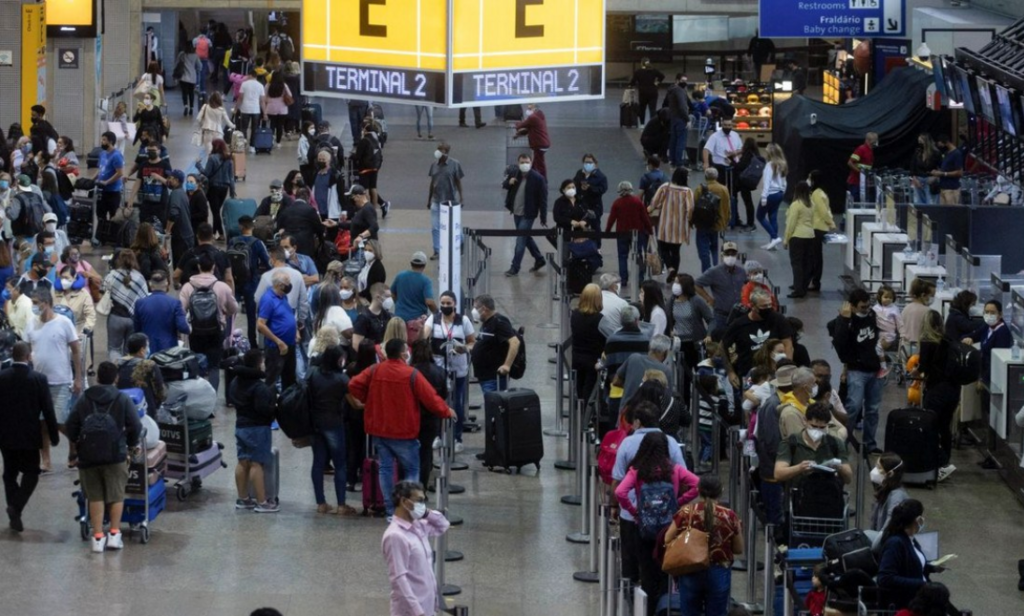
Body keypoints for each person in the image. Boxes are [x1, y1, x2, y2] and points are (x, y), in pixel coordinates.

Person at [349, 339, 455, 518]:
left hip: (379, 428)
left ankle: (391, 511)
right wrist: (446, 411)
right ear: (402, 353)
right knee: (412, 469)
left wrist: (368, 400)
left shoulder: (375, 370)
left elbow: (353, 385)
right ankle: (408, 510)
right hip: (404, 431)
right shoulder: (411, 374)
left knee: (386, 469)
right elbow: (431, 398)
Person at [615, 431, 699, 614]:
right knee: (667, 574)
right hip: (669, 529)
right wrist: (679, 502)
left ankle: (647, 610)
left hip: (644, 529)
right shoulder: (674, 470)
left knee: (647, 574)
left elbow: (620, 492)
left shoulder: (637, 471)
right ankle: (665, 609)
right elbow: (697, 484)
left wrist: (635, 511)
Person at [64, 361, 142, 553]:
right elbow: (136, 425)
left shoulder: (85, 399)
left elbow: (70, 424)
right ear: (116, 378)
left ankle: (97, 538)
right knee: (116, 494)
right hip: (115, 454)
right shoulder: (122, 399)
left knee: (95, 495)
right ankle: (114, 535)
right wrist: (131, 444)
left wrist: (77, 443)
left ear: (97, 377)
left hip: (88, 455)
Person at [612, 401, 689, 587]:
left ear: (637, 421)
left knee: (631, 562)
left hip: (632, 515)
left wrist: (619, 507)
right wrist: (678, 502)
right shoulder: (670, 442)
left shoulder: (627, 443)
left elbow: (617, 480)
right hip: (664, 516)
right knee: (660, 563)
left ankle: (631, 601)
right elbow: (686, 478)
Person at [0, 342, 58, 532]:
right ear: (28, 356)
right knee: (31, 474)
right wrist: (54, 435)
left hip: (5, 435)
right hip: (30, 436)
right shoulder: (39, 379)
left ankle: (14, 509)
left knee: (9, 474)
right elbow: (48, 410)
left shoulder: (2, 377)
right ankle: (16, 507)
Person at [664, 475, 743, 616]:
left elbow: (667, 539)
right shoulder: (729, 516)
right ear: (721, 491)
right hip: (719, 570)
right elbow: (738, 549)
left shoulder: (686, 512)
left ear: (698, 490)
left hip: (690, 568)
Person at [381, 480, 451, 616]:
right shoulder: (395, 536)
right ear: (404, 501)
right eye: (419, 501)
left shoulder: (418, 526)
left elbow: (443, 525)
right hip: (411, 611)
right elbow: (399, 579)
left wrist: (426, 513)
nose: (422, 505)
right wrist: (418, 611)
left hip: (427, 605)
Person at [422, 291, 476, 451]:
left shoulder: (463, 321)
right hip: (439, 367)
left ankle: (458, 437)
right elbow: (424, 335)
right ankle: (438, 435)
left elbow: (472, 342)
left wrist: (464, 348)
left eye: (448, 303)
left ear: (454, 304)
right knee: (438, 401)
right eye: (443, 303)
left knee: (457, 402)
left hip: (458, 367)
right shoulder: (434, 319)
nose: (445, 306)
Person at [308, 344, 358, 516]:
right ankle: (341, 504)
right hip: (334, 423)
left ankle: (321, 503)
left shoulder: (313, 374)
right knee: (340, 464)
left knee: (318, 463)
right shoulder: (341, 380)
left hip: (315, 423)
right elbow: (355, 403)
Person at [832, 288, 883, 454]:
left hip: (874, 370)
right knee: (853, 407)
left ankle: (870, 443)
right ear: (852, 307)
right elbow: (839, 342)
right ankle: (844, 441)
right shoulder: (845, 321)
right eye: (862, 307)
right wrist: (844, 319)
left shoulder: (872, 317)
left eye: (868, 306)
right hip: (856, 370)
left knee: (873, 409)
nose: (866, 310)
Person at [179, 252, 238, 394]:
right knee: (214, 366)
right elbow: (234, 308)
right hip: (216, 330)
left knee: (197, 362)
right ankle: (211, 400)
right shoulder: (222, 287)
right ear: (213, 267)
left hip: (196, 332)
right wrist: (224, 313)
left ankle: (199, 398)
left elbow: (181, 309)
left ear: (198, 266)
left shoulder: (188, 287)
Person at [228, 349, 279, 513]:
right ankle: (262, 502)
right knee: (257, 463)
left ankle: (243, 499)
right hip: (257, 428)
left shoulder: (236, 381)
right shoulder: (259, 387)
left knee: (242, 462)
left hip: (240, 426)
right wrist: (274, 408)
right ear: (258, 364)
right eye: (262, 362)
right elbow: (264, 409)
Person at [877, 499, 945, 609]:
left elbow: (911, 564)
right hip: (906, 599)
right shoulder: (896, 543)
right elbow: (885, 578)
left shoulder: (910, 539)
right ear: (917, 520)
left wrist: (932, 568)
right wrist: (921, 584)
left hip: (919, 594)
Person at [722, 288, 793, 387]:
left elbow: (788, 345)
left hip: (773, 373)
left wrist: (786, 368)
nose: (768, 308)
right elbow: (723, 347)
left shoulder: (778, 320)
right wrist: (730, 372)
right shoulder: (738, 325)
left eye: (770, 305)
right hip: (748, 375)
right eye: (764, 306)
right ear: (752, 306)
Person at [502, 153, 547, 277]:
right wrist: (509, 182)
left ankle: (514, 267)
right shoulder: (515, 174)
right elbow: (504, 185)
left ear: (531, 162)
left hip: (528, 214)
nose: (524, 164)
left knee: (520, 239)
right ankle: (539, 258)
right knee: (526, 237)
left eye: (527, 162)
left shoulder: (538, 179)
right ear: (518, 163)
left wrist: (543, 217)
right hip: (516, 212)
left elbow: (543, 199)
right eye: (522, 162)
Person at [410, 338, 447, 485]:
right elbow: (443, 395)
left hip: (412, 417)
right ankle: (422, 486)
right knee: (426, 452)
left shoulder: (410, 372)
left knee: (411, 452)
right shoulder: (439, 372)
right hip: (431, 418)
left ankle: (410, 485)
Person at [257, 270, 301, 389]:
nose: (289, 285)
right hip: (276, 347)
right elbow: (260, 325)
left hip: (289, 344)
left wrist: (295, 331)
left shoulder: (283, 297)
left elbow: (288, 315)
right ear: (279, 285)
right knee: (272, 378)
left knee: (290, 378)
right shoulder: (268, 299)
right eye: (287, 282)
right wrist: (278, 342)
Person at [606, 181, 653, 287]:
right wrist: (650, 230)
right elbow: (645, 218)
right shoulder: (637, 201)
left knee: (622, 256)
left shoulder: (617, 203)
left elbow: (611, 219)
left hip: (622, 233)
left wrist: (607, 231)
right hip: (638, 233)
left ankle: (623, 279)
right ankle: (640, 279)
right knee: (639, 256)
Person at [648, 167, 694, 276]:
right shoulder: (687, 191)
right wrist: (689, 219)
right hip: (679, 227)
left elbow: (654, 202)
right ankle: (674, 274)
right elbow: (690, 208)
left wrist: (647, 211)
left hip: (665, 225)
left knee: (663, 249)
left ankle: (670, 268)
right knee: (675, 251)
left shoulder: (665, 187)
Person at [470, 294, 520, 395]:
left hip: (494, 378)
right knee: (491, 407)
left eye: (476, 308)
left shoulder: (499, 322)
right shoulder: (487, 322)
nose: (474, 311)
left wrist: (507, 365)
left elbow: (515, 342)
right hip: (485, 376)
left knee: (495, 407)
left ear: (484, 308)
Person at [133, 271, 190, 354]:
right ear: (167, 283)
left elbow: (137, 330)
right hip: (169, 351)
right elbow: (183, 327)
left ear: (150, 284)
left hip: (147, 350)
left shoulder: (140, 303)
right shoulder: (175, 303)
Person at [696, 241, 748, 333]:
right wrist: (709, 299)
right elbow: (696, 284)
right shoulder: (714, 272)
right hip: (721, 316)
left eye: (733, 254)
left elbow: (747, 285)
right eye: (727, 253)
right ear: (722, 255)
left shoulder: (742, 272)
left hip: (740, 314)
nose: (730, 256)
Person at [962, 299, 1014, 386]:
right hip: (982, 370)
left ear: (1000, 314)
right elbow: (971, 335)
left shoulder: (1002, 332)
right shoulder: (987, 326)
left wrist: (984, 380)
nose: (989, 315)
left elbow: (996, 361)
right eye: (986, 312)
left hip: (993, 378)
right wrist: (968, 338)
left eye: (992, 312)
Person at [571, 284, 606, 408]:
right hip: (593, 360)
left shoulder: (574, 315)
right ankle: (586, 417)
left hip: (576, 357)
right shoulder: (600, 319)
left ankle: (579, 412)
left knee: (579, 387)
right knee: (589, 390)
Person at [117, 333, 166, 418]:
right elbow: (161, 392)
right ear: (142, 350)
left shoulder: (117, 363)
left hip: (122, 410)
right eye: (147, 346)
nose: (148, 349)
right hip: (146, 411)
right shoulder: (149, 365)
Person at [692, 167, 731, 272]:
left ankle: (707, 270)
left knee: (703, 249)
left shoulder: (700, 189)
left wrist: (691, 222)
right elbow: (727, 207)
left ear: (705, 177)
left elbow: (693, 206)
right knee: (714, 246)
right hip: (717, 224)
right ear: (716, 177)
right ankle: (715, 266)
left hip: (702, 224)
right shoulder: (724, 189)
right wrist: (726, 221)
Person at [782, 181, 815, 298]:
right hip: (810, 236)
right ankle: (803, 286)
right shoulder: (811, 204)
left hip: (797, 237)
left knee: (796, 264)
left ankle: (798, 289)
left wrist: (786, 240)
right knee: (806, 263)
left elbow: (791, 224)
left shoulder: (796, 205)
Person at [390, 251, 437, 332]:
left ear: (411, 263)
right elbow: (430, 302)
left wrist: (398, 303)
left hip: (399, 319)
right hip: (416, 322)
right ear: (424, 265)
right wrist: (437, 312)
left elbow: (392, 294)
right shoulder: (425, 281)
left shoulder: (400, 276)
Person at [807, 170, 836, 292]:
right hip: (819, 227)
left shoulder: (816, 194)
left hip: (817, 227)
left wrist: (831, 223)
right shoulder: (819, 193)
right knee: (815, 256)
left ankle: (815, 282)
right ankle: (811, 281)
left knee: (815, 257)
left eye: (810, 177)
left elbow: (823, 211)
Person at [201, 139, 236, 239]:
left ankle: (221, 234)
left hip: (213, 188)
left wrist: (198, 165)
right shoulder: (229, 159)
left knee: (215, 212)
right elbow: (231, 177)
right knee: (216, 211)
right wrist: (232, 191)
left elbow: (206, 173)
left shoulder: (212, 158)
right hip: (224, 189)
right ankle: (214, 232)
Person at [869, 452, 909, 537]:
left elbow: (887, 530)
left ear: (890, 473)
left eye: (879, 468)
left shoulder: (896, 497)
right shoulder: (885, 491)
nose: (874, 470)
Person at [758, 143, 789, 250]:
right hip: (779, 194)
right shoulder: (783, 164)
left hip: (770, 194)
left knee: (760, 216)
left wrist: (763, 197)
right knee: (773, 217)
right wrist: (783, 191)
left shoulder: (770, 165)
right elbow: (785, 181)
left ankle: (774, 237)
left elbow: (767, 182)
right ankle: (772, 243)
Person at [573, 154, 609, 243]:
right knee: (578, 227)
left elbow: (602, 190)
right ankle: (577, 247)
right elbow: (574, 184)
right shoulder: (579, 173)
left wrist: (590, 188)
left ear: (595, 163)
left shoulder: (601, 177)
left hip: (594, 207)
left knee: (595, 227)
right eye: (586, 162)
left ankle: (597, 247)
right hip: (581, 206)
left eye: (590, 162)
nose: (587, 164)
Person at [164, 170, 197, 268]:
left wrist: (167, 230)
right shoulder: (182, 193)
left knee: (180, 267)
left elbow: (174, 213)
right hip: (187, 236)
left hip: (181, 239)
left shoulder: (176, 193)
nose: (169, 180)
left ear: (176, 180)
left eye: (170, 178)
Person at [55, 265, 96, 336]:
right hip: (57, 332)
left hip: (77, 333)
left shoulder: (84, 294)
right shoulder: (54, 292)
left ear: (74, 278)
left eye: (66, 278)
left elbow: (90, 315)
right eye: (62, 277)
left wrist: (86, 329)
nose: (63, 280)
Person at [354, 120, 385, 212]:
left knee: (365, 189)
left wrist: (353, 156)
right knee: (373, 188)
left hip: (364, 168)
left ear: (365, 130)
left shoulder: (364, 140)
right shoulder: (375, 140)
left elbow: (358, 156)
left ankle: (366, 208)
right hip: (374, 167)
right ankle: (374, 209)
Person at [514, 103, 551, 178]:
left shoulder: (532, 118)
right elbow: (530, 129)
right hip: (544, 143)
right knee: (536, 163)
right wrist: (519, 134)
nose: (528, 109)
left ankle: (543, 180)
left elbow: (521, 125)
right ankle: (531, 177)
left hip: (539, 144)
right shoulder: (540, 115)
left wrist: (516, 123)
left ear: (535, 107)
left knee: (540, 165)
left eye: (530, 108)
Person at [873, 285, 903, 375]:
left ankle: (883, 367)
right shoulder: (875, 308)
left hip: (889, 334)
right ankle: (880, 365)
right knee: (876, 349)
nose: (888, 299)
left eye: (890, 297)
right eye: (886, 297)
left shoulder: (894, 309)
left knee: (878, 348)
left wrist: (902, 334)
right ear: (880, 297)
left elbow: (899, 322)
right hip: (879, 332)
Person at [733, 138, 761, 231]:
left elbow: (740, 166)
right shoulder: (755, 155)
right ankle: (750, 223)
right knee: (748, 202)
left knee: (747, 202)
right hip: (750, 180)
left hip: (744, 182)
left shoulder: (747, 155)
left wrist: (731, 162)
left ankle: (749, 223)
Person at [900, 278, 936, 350]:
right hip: (920, 348)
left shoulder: (906, 309)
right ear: (923, 295)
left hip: (904, 347)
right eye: (931, 295)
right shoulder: (928, 311)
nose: (932, 298)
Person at [236, 69, 268, 151]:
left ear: (250, 75)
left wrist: (236, 108)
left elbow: (240, 98)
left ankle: (243, 143)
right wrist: (264, 113)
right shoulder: (260, 85)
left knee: (244, 128)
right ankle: (252, 146)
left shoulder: (244, 84)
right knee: (255, 128)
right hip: (256, 110)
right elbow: (262, 101)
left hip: (245, 109)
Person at [664, 74, 691, 168]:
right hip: (681, 119)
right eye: (683, 80)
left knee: (673, 140)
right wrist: (687, 119)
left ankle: (672, 160)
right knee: (681, 141)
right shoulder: (680, 91)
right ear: (677, 80)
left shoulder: (671, 90)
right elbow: (682, 106)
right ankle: (679, 162)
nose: (685, 83)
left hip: (673, 118)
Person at [629, 58, 665, 126]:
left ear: (641, 63)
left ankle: (642, 124)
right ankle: (653, 125)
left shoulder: (638, 72)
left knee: (642, 109)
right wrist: (657, 82)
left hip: (643, 93)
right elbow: (662, 76)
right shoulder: (654, 70)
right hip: (653, 92)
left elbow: (632, 82)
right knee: (652, 109)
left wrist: (632, 86)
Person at [931, 134, 963, 206]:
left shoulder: (957, 154)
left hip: (951, 189)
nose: (939, 146)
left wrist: (943, 174)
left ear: (945, 142)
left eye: (940, 143)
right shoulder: (946, 153)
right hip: (943, 188)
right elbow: (945, 168)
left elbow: (959, 172)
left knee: (952, 212)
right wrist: (937, 172)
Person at [910, 134, 941, 205]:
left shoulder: (936, 153)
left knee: (931, 204)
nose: (920, 144)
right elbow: (912, 167)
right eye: (919, 142)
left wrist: (935, 177)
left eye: (921, 142)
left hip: (930, 180)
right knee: (919, 203)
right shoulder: (917, 152)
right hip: (918, 180)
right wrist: (914, 179)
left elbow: (941, 167)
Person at [847, 132, 878, 202]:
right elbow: (850, 163)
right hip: (855, 182)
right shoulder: (861, 149)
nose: (874, 143)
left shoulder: (870, 151)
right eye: (872, 141)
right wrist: (860, 172)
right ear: (867, 140)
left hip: (863, 183)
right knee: (855, 203)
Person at [264, 73, 292, 146]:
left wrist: (269, 101)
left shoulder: (268, 85)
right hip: (282, 108)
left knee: (272, 124)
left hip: (271, 108)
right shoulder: (284, 85)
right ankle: (278, 142)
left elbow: (264, 96)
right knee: (280, 125)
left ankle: (271, 139)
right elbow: (290, 95)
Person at [175, 42, 202, 116]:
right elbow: (200, 66)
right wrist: (196, 69)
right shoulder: (195, 56)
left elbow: (177, 63)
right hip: (192, 77)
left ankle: (186, 106)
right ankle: (192, 108)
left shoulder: (182, 54)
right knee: (191, 93)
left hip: (183, 77)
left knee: (184, 93)